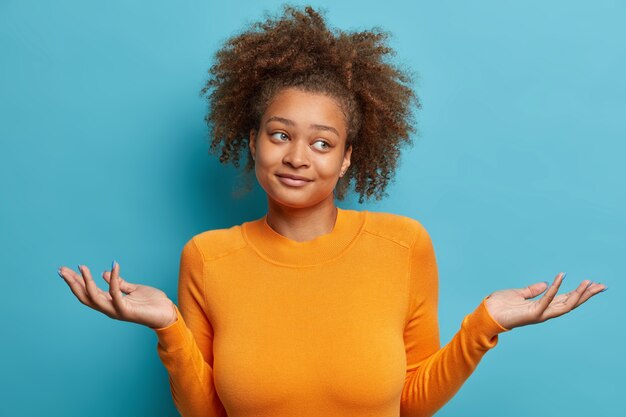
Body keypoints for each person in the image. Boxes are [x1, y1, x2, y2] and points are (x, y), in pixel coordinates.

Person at [57, 5, 607, 417]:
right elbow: (208, 412)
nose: (297, 157)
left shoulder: (403, 246)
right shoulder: (208, 257)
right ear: (252, 141)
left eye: (322, 143)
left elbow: (411, 402)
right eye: (279, 135)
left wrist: (485, 325)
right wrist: (168, 328)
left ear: (347, 159)